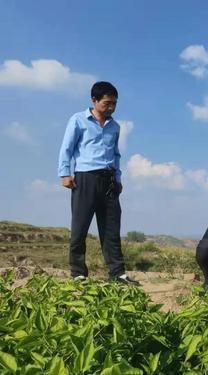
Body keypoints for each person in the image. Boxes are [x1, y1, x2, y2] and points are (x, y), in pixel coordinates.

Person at [58, 81, 138, 285]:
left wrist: (118, 179)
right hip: (85, 177)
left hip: (109, 180)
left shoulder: (115, 127)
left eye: (114, 104)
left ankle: (118, 273)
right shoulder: (78, 120)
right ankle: (78, 273)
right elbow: (67, 148)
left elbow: (116, 154)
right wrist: (65, 173)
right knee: (80, 227)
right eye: (107, 103)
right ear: (94, 100)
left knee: (111, 227)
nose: (111, 107)